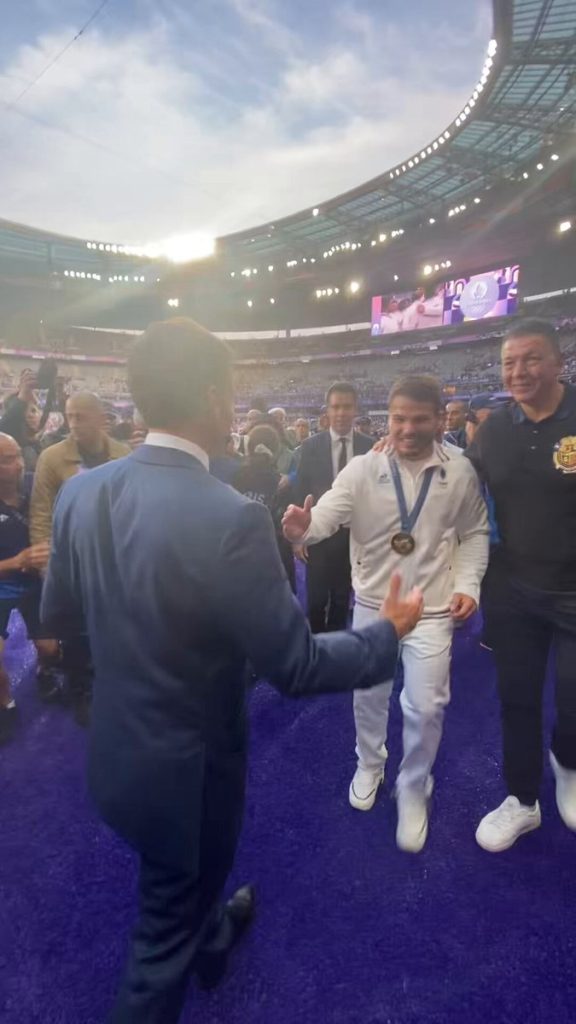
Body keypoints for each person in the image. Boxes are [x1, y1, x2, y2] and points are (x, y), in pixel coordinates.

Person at [40, 318, 423, 1024]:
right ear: (217, 399)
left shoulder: (79, 493)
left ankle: (213, 938)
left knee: (186, 886)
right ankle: (198, 939)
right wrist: (386, 636)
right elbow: (298, 665)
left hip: (115, 753)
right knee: (159, 940)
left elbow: (59, 620)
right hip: (186, 778)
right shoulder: (228, 516)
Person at [283, 375, 489, 852]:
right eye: (399, 418)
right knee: (368, 697)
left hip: (432, 608)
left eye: (420, 419)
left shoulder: (458, 470)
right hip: (374, 607)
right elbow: (327, 515)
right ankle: (369, 764)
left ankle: (413, 784)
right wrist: (303, 526)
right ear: (387, 419)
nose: (408, 429)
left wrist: (468, 583)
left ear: (440, 420)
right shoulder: (363, 467)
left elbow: (476, 531)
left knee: (427, 705)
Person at [467, 319, 576, 852]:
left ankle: (569, 759)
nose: (519, 371)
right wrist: (393, 455)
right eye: (509, 362)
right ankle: (522, 801)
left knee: (574, 700)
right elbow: (457, 489)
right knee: (517, 699)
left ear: (558, 362)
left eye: (531, 359)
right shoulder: (492, 431)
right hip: (511, 589)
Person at [31, 392, 129, 721]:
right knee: (75, 631)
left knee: (115, 625)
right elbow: (42, 512)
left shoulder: (123, 454)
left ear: (101, 417)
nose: (73, 424)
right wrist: (47, 564)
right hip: (71, 559)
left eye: (81, 416)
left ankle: (112, 682)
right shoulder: (51, 457)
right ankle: (81, 688)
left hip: (114, 557)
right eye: (69, 416)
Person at [294, 383, 373, 633]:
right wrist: (299, 537)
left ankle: (338, 648)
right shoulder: (310, 447)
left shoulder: (370, 447)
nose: (341, 413)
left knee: (343, 597)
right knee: (316, 599)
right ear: (327, 411)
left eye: (347, 407)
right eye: (336, 407)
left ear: (355, 409)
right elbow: (301, 492)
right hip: (318, 533)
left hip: (354, 536)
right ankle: (316, 647)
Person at [0, 434, 59, 743]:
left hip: (36, 582)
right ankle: (6, 704)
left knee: (51, 649)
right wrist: (16, 560)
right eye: (8, 459)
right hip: (1, 584)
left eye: (18, 455)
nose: (19, 463)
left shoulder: (36, 486)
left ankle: (44, 670)